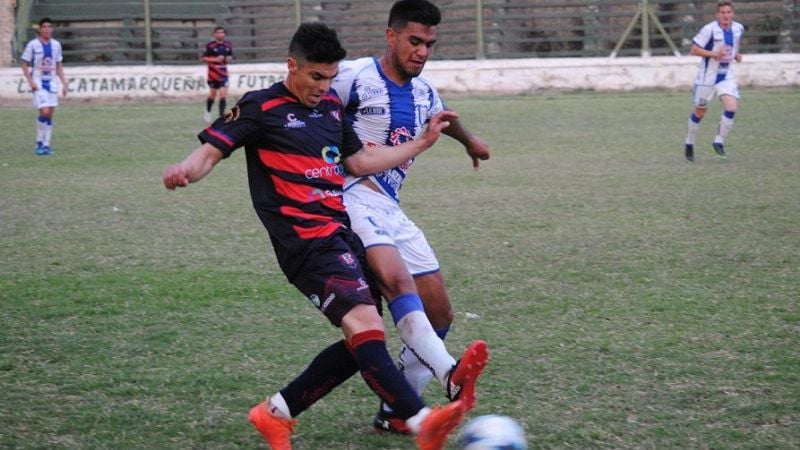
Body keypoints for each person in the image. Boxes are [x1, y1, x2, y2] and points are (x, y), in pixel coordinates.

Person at [163, 22, 486, 450]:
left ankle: (275, 413)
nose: (323, 87)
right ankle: (420, 418)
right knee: (366, 327)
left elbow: (359, 163)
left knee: (362, 341)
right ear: (292, 66)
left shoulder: (332, 106)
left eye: (330, 78)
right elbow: (210, 152)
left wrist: (422, 144)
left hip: (340, 234)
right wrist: (186, 170)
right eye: (315, 76)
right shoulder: (261, 106)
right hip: (305, 242)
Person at [331, 0, 491, 435]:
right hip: (349, 197)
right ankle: (450, 374)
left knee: (439, 311)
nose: (422, 52)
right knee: (399, 284)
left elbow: (444, 117)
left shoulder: (424, 92)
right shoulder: (355, 77)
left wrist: (471, 141)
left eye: (429, 44)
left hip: (389, 207)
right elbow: (307, 97)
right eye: (414, 41)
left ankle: (397, 412)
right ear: (391, 36)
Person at [683, 0, 744, 162]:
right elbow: (694, 50)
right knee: (700, 112)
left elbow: (734, 45)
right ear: (717, 15)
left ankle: (718, 142)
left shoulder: (738, 28)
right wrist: (714, 54)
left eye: (728, 12)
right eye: (722, 12)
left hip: (725, 75)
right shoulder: (709, 29)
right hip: (706, 78)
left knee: (731, 107)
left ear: (733, 14)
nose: (726, 15)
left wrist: (736, 55)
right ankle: (689, 142)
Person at [20, 17, 67, 156]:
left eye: (49, 26)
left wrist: (64, 83)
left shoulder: (56, 45)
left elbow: (58, 65)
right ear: (40, 29)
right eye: (44, 27)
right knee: (45, 111)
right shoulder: (33, 45)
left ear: (52, 29)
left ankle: (46, 145)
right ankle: (39, 143)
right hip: (38, 83)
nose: (47, 29)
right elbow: (24, 63)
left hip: (51, 83)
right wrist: (30, 81)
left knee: (50, 114)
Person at [201, 26, 233, 123]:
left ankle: (221, 117)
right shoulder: (210, 46)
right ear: (215, 34)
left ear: (224, 34)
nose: (220, 34)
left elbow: (229, 57)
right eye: (218, 32)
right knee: (213, 95)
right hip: (213, 74)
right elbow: (203, 58)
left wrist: (228, 59)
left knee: (223, 95)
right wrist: (215, 59)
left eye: (222, 32)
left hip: (223, 73)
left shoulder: (228, 45)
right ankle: (208, 111)